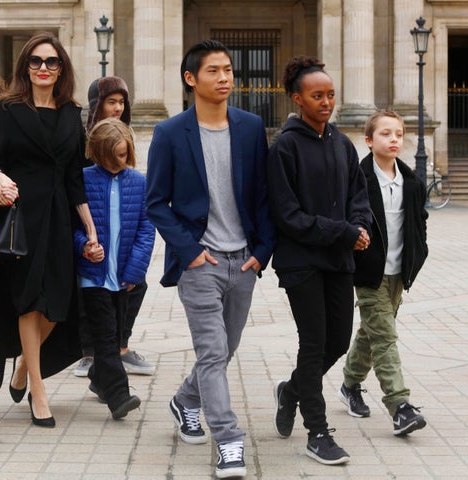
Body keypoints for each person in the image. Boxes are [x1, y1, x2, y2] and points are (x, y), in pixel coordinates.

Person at [146, 39, 275, 479]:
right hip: (200, 262)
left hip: (243, 261)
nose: (225, 78)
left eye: (229, 70)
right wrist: (190, 253)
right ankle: (229, 440)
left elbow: (261, 194)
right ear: (190, 79)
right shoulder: (168, 134)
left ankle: (185, 401)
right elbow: (156, 202)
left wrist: (261, 252)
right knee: (213, 351)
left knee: (224, 350)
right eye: (214, 71)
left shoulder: (250, 126)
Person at [0, 32, 98, 428]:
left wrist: (90, 229)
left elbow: (75, 177)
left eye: (52, 62)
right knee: (31, 300)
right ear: (25, 66)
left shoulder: (70, 112)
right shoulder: (9, 110)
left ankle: (26, 365)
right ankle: (39, 393)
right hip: (22, 217)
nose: (44, 68)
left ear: (62, 68)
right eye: (36, 61)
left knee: (58, 306)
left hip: (59, 215)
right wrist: (1, 178)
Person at [267, 56, 372, 466]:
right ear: (297, 99)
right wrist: (343, 231)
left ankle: (292, 390)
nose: (326, 102)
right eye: (317, 96)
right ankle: (318, 431)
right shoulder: (284, 147)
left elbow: (358, 196)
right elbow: (288, 216)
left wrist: (359, 226)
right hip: (300, 262)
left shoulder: (342, 143)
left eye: (330, 94)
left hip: (338, 259)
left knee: (338, 342)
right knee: (313, 344)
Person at [338, 110, 429, 436]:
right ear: (368, 140)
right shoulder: (358, 180)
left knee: (372, 332)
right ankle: (400, 406)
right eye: (385, 134)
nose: (394, 139)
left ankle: (349, 385)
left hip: (398, 273)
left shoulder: (411, 181)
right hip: (368, 272)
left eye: (399, 134)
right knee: (386, 337)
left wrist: (419, 254)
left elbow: (419, 222)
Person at [73, 76, 155, 378]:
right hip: (93, 229)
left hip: (123, 228)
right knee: (91, 293)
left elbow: (145, 222)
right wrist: (85, 240)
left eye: (122, 102)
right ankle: (90, 353)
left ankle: (120, 347)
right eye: (111, 102)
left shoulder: (135, 172)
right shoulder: (82, 140)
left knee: (133, 284)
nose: (118, 108)